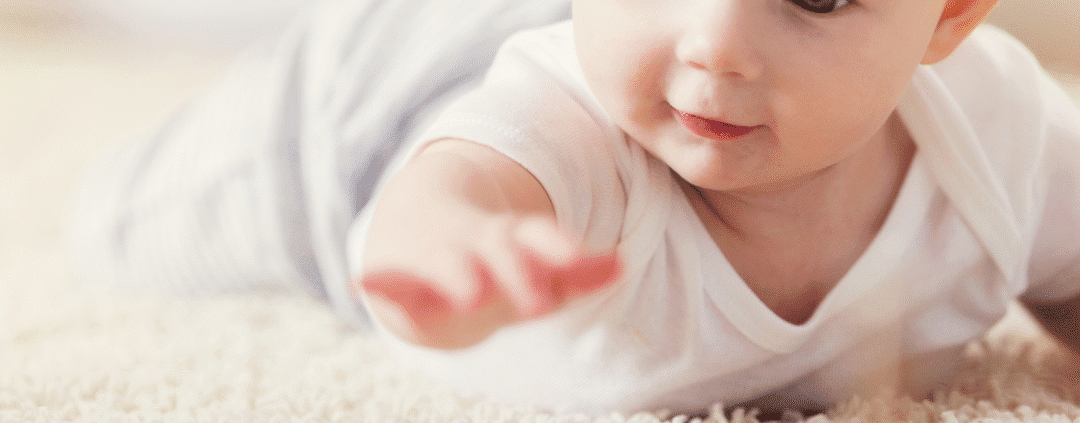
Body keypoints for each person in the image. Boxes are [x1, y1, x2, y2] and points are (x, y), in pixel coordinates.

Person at [70, 0, 1080, 418]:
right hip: (350, 127)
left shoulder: (1001, 133)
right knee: (113, 227)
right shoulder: (566, 124)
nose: (717, 41)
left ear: (949, 14)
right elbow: (448, 194)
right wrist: (460, 257)